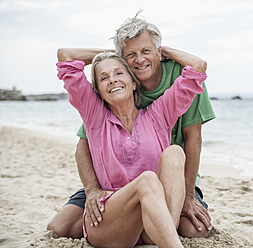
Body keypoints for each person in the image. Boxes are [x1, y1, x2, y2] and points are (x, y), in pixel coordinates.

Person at [47, 13, 215, 239]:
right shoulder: (95, 116)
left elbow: (198, 67)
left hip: (160, 199)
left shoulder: (158, 114)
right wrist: (114, 57)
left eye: (118, 72)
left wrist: (160, 50)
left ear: (133, 83)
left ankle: (161, 234)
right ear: (97, 91)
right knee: (61, 227)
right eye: (104, 78)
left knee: (174, 153)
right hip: (115, 210)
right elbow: (65, 56)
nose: (113, 79)